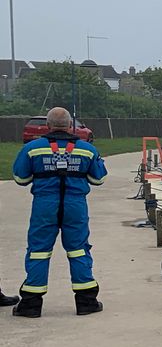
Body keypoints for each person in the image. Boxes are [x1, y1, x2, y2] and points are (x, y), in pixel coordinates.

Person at [10, 107, 107, 317]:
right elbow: (98, 179)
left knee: (38, 250)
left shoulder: (32, 148)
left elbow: (20, 178)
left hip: (44, 205)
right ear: (70, 125)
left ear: (48, 125)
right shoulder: (87, 149)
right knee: (78, 249)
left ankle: (31, 305)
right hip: (75, 206)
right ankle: (86, 301)